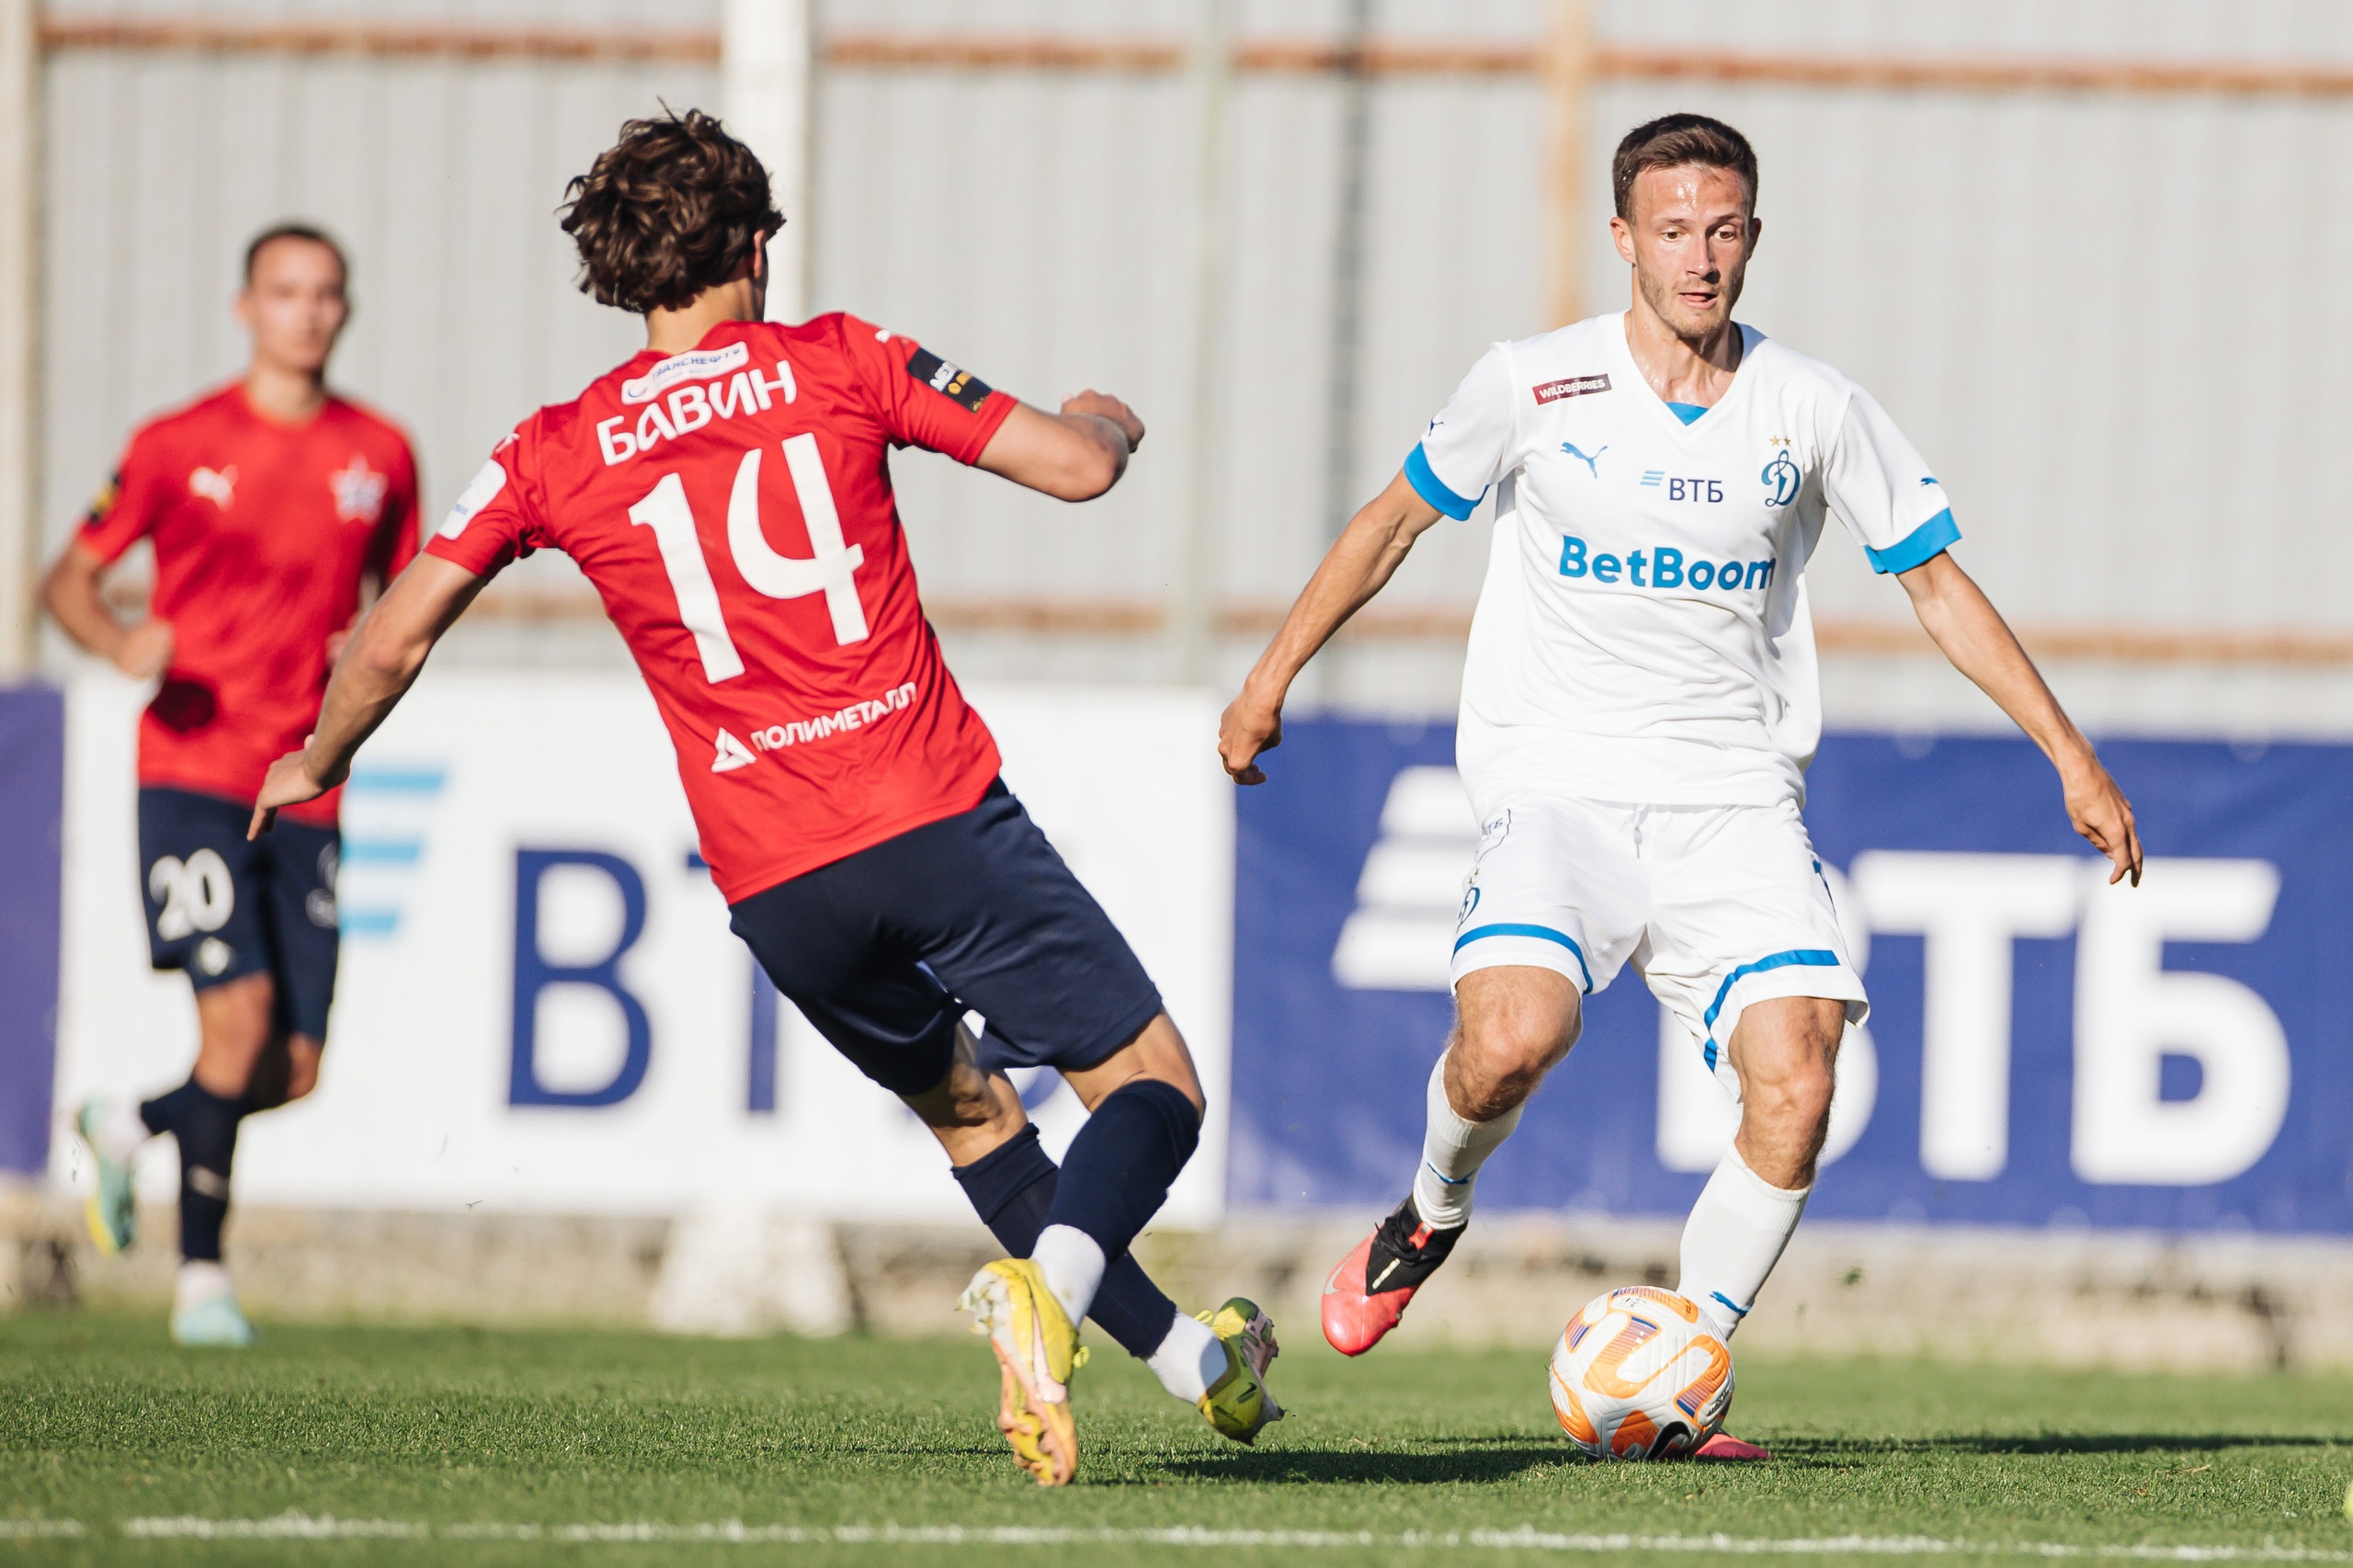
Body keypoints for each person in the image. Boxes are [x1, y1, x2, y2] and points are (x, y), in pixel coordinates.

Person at [246, 110, 1277, 1485]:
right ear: (755, 243)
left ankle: (1192, 1361)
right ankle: (1056, 1298)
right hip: (932, 816)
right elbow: (1075, 466)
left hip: (779, 885)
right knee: (1153, 1086)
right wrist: (1108, 416)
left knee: (976, 1117)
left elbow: (392, 637)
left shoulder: (553, 448)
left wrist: (317, 759)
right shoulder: (840, 360)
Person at [1218, 113, 2143, 1457]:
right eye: (1672, 231)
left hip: (1733, 803)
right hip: (1560, 789)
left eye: (1723, 231)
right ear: (1624, 242)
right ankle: (1427, 1211)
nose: (1700, 258)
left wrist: (2071, 753)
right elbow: (1394, 522)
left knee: (1800, 1080)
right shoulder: (1534, 385)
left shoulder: (1812, 406)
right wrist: (1267, 679)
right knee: (1507, 1042)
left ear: (1753, 238)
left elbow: (1935, 578)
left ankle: (1682, 1357)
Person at [44, 224, 420, 1347]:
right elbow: (68, 576)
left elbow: (397, 600)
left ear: (344, 311)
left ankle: (131, 1119)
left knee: (293, 1066)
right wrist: (116, 643)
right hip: (193, 773)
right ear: (244, 306)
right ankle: (201, 1279)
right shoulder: (176, 444)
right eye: (285, 292)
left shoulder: (381, 454)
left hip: (306, 781)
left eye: (325, 294)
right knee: (239, 1020)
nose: (307, 312)